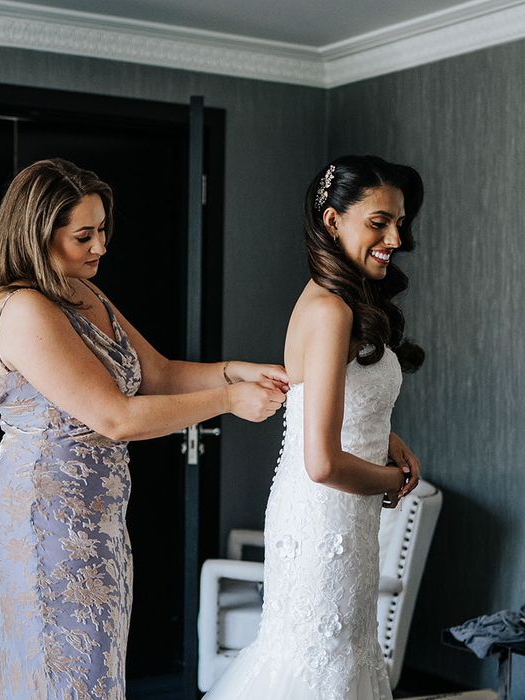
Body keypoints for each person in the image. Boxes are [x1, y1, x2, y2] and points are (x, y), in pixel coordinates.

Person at [0, 158, 289, 699]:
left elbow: (156, 373)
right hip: (47, 518)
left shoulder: (82, 293)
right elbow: (115, 417)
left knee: (95, 666)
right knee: (63, 674)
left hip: (96, 515)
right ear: (38, 234)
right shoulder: (23, 308)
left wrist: (234, 369)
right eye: (84, 234)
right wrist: (228, 400)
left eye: (102, 230)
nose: (101, 247)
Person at [203, 155, 424, 700]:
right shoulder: (331, 311)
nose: (395, 237)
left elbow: (331, 403)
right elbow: (321, 462)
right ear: (332, 221)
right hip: (325, 517)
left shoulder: (335, 300)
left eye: (400, 222)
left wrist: (382, 434)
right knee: (319, 660)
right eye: (379, 222)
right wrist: (392, 480)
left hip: (339, 515)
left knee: (339, 655)